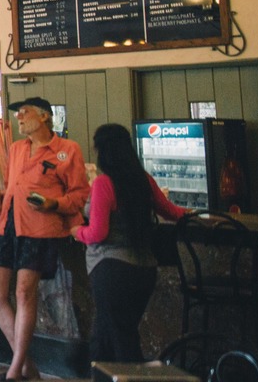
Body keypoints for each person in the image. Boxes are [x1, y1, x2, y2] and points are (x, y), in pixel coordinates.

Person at [0, 97, 90, 382]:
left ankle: (14, 371)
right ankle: (28, 367)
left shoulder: (67, 150)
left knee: (23, 293)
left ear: (44, 117)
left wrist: (53, 204)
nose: (18, 117)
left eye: (24, 111)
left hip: (40, 228)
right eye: (18, 112)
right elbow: (10, 185)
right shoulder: (17, 149)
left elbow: (80, 195)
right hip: (8, 224)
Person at [70, 123, 186, 363]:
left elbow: (98, 233)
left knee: (121, 341)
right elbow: (173, 212)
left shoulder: (104, 183)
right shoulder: (143, 180)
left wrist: (77, 232)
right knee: (107, 336)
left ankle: (130, 378)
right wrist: (206, 216)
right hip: (145, 271)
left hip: (111, 269)